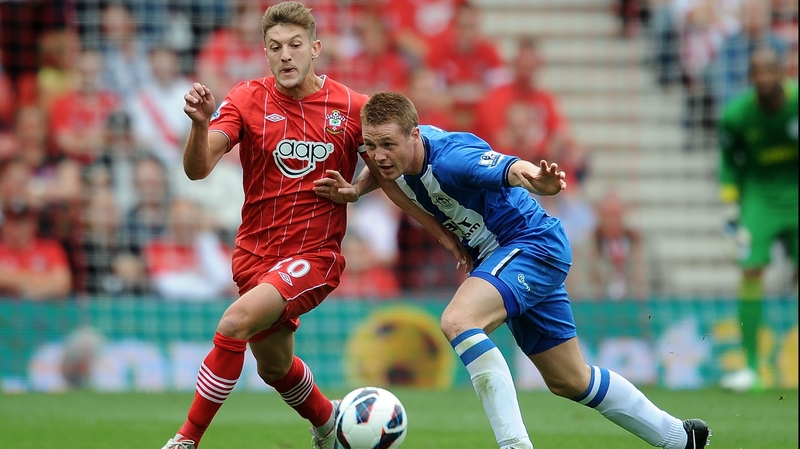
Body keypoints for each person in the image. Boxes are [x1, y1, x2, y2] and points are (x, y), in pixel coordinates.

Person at [314, 91, 712, 449]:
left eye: (388, 144)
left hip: (530, 244)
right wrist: (356, 189)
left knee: (459, 320)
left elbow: (510, 168)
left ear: (415, 135)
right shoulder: (397, 155)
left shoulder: (453, 157)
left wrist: (539, 180)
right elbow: (380, 169)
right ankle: (680, 437)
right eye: (371, 145)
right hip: (511, 255)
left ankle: (514, 445)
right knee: (570, 380)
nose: (379, 155)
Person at [161, 3, 464, 449]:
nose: (285, 55)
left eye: (295, 45)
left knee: (234, 322)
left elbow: (390, 167)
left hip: (313, 256)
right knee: (275, 368)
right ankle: (328, 425)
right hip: (253, 256)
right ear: (266, 52)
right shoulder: (246, 98)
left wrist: (364, 194)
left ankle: (186, 439)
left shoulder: (352, 107)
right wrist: (201, 124)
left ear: (315, 48)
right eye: (275, 47)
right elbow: (198, 169)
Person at [717, 47, 798, 393]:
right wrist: (730, 205)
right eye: (757, 73)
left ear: (782, 73)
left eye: (769, 71)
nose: (763, 79)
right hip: (759, 196)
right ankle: (751, 367)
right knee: (750, 269)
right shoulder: (736, 116)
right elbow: (728, 162)